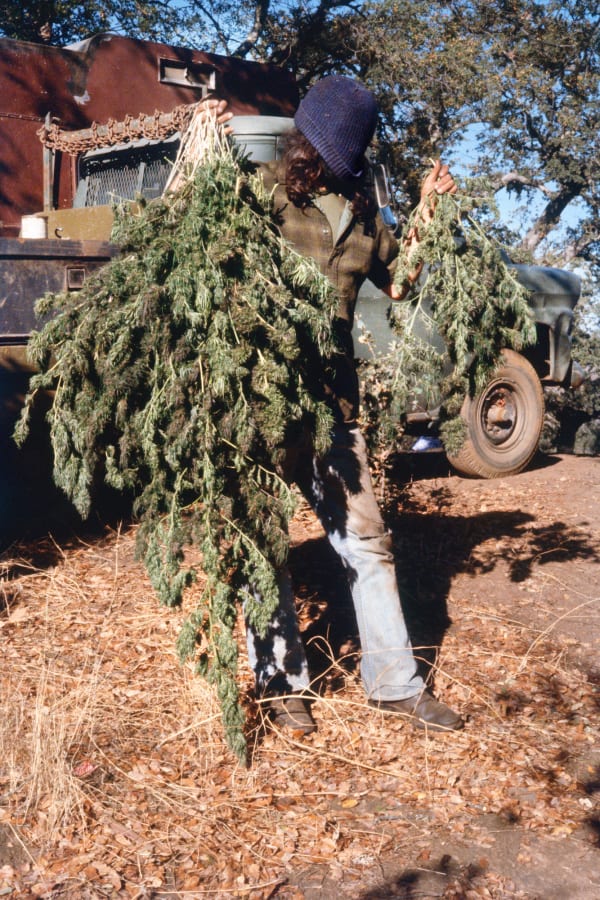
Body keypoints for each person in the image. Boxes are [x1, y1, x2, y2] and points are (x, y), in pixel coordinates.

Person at [214, 77, 463, 735]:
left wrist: (429, 211)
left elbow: (403, 281)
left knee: (368, 545)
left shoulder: (362, 217)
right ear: (307, 144)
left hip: (333, 410)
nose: (337, 166)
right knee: (264, 544)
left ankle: (395, 685)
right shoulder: (256, 196)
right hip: (263, 405)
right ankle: (280, 686)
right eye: (331, 153)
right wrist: (207, 137)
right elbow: (200, 240)